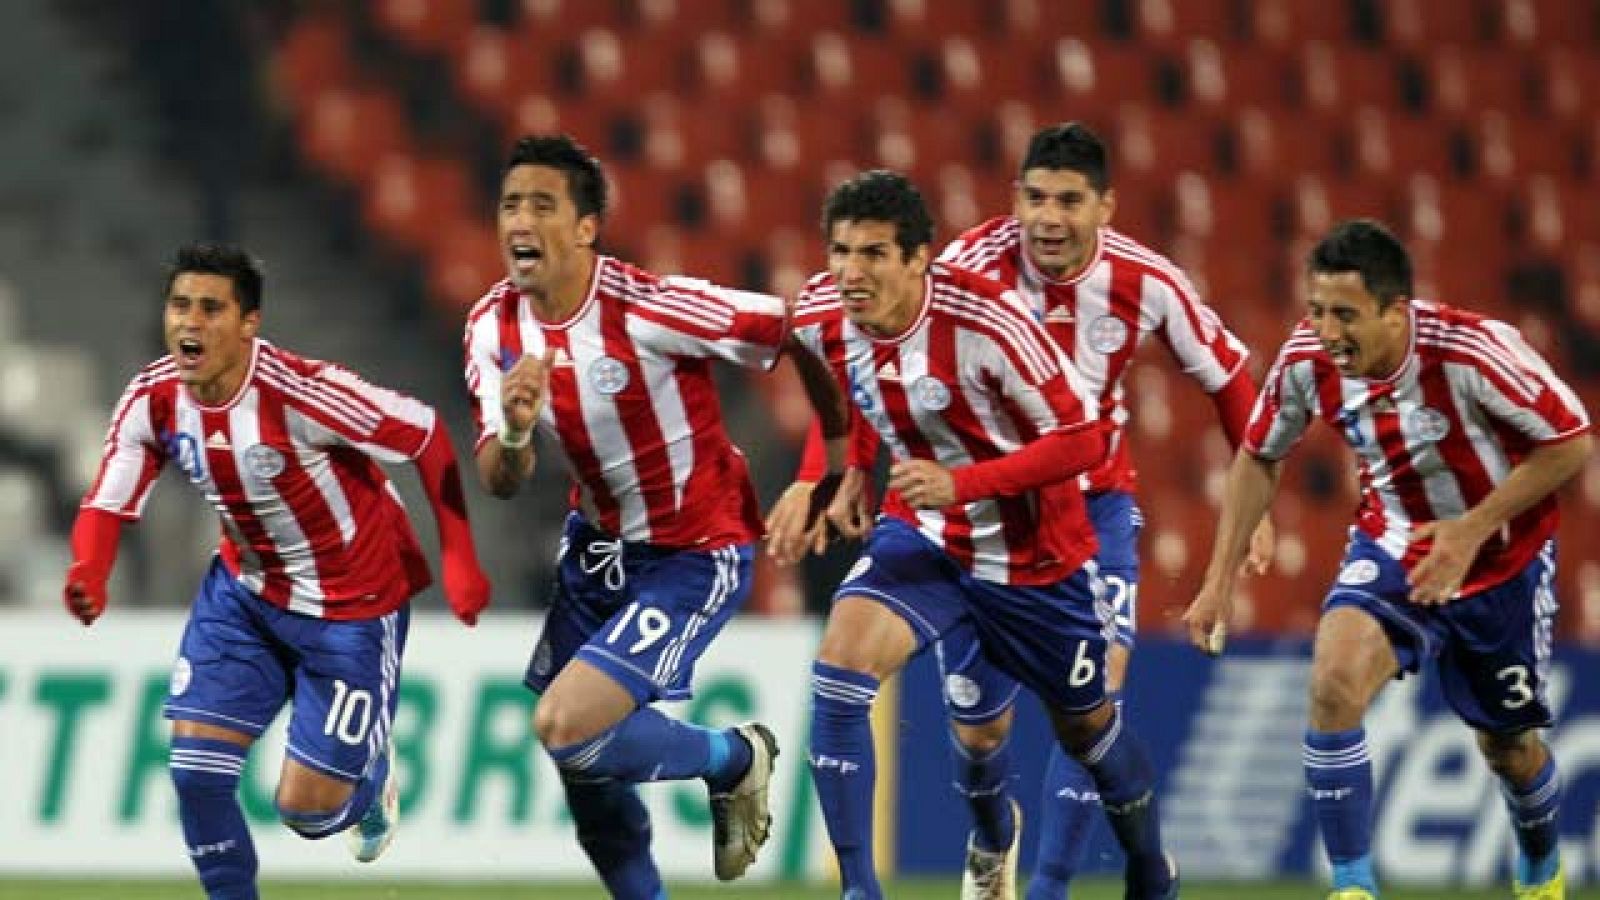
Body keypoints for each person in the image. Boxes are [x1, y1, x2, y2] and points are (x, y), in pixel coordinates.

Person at [771, 121, 1272, 899]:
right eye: (1035, 197)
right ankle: (918, 868)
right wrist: (832, 472)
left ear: (1104, 207)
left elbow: (1217, 386)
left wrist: (1257, 497)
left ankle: (1098, 878)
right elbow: (854, 368)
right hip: (934, 519)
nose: (1048, 218)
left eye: (1069, 200)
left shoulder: (1118, 290)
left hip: (1063, 524)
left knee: (1089, 720)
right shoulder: (932, 272)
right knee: (928, 712)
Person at [462, 134, 850, 897]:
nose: (520, 221)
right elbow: (501, 480)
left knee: (565, 727)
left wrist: (831, 464)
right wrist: (511, 429)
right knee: (585, 775)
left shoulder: (649, 308)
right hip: (599, 549)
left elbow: (797, 326)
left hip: (693, 551)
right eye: (511, 204)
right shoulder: (492, 328)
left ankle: (737, 759)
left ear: (585, 227)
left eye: (543, 204)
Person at [63, 242, 492, 900]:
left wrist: (459, 556)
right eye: (180, 305)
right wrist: (90, 568)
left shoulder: (302, 394)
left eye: (211, 308)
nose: (190, 322)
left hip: (353, 607)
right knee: (195, 771)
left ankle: (367, 776)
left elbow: (426, 434)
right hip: (246, 592)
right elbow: (108, 496)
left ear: (248, 323)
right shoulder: (154, 397)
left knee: (308, 813)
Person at [1183, 219, 1592, 900]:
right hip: (1395, 544)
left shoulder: (1474, 352)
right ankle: (1353, 888)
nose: (1327, 330)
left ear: (1394, 312)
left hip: (1502, 562)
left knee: (1510, 750)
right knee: (1333, 680)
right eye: (1316, 310)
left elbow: (1571, 441)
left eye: (1345, 314)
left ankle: (1542, 869)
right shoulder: (1308, 361)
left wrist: (1472, 528)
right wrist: (1216, 581)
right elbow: (1258, 455)